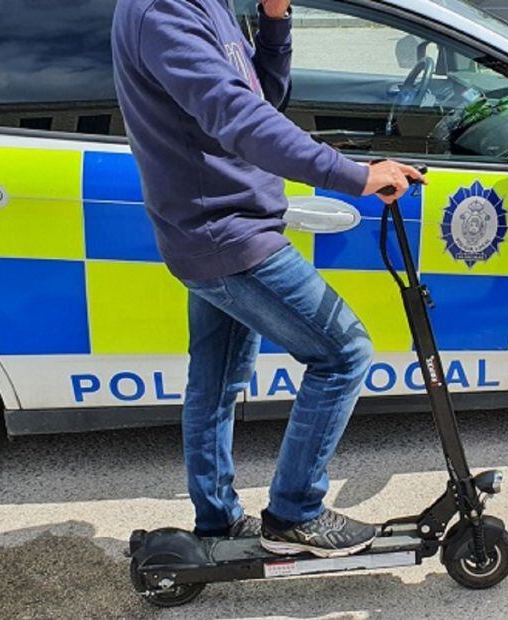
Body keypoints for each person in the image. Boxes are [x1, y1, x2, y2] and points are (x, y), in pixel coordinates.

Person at [111, 0, 425, 558]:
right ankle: (295, 512)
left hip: (219, 225)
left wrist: (274, 20)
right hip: (225, 233)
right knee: (343, 352)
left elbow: (263, 99)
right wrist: (351, 175)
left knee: (217, 384)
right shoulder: (163, 10)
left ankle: (216, 520)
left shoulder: (209, 5)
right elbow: (236, 116)